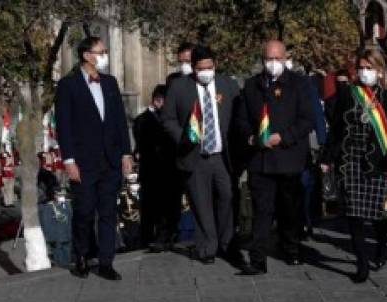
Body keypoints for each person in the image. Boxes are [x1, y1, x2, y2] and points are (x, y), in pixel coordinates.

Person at [321, 48, 387, 282]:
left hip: (380, 162)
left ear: (380, 70)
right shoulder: (350, 93)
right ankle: (362, 264)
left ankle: (380, 249)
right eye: (361, 67)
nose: (364, 72)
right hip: (351, 162)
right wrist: (326, 157)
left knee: (379, 215)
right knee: (354, 215)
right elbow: (337, 128)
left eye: (369, 67)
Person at [55, 35, 133, 280]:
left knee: (109, 212)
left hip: (110, 160)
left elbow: (120, 120)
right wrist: (68, 160)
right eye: (101, 51)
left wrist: (126, 152)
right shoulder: (68, 85)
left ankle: (107, 261)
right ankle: (81, 256)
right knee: (85, 211)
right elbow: (64, 126)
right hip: (84, 162)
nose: (104, 56)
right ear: (87, 55)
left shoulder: (110, 83)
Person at [235, 40, 314, 274]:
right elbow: (242, 119)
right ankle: (257, 259)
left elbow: (306, 120)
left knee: (289, 209)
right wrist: (250, 137)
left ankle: (291, 249)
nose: (273, 63)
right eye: (268, 59)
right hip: (261, 159)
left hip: (288, 157)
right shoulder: (251, 85)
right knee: (262, 210)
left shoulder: (299, 84)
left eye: (277, 58)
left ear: (285, 58)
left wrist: (285, 137)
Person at [161, 44, 243, 265]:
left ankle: (227, 243)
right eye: (201, 68)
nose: (206, 71)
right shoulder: (179, 87)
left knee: (227, 196)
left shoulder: (228, 84)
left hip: (221, 156)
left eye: (210, 67)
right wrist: (184, 138)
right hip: (194, 156)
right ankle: (207, 247)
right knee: (201, 202)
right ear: (193, 68)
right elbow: (167, 119)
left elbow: (239, 116)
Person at [134, 85, 179, 250]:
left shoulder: (170, 119)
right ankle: (148, 238)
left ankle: (168, 235)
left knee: (170, 207)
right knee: (150, 208)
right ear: (156, 101)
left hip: (170, 171)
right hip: (151, 172)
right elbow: (143, 144)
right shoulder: (142, 120)